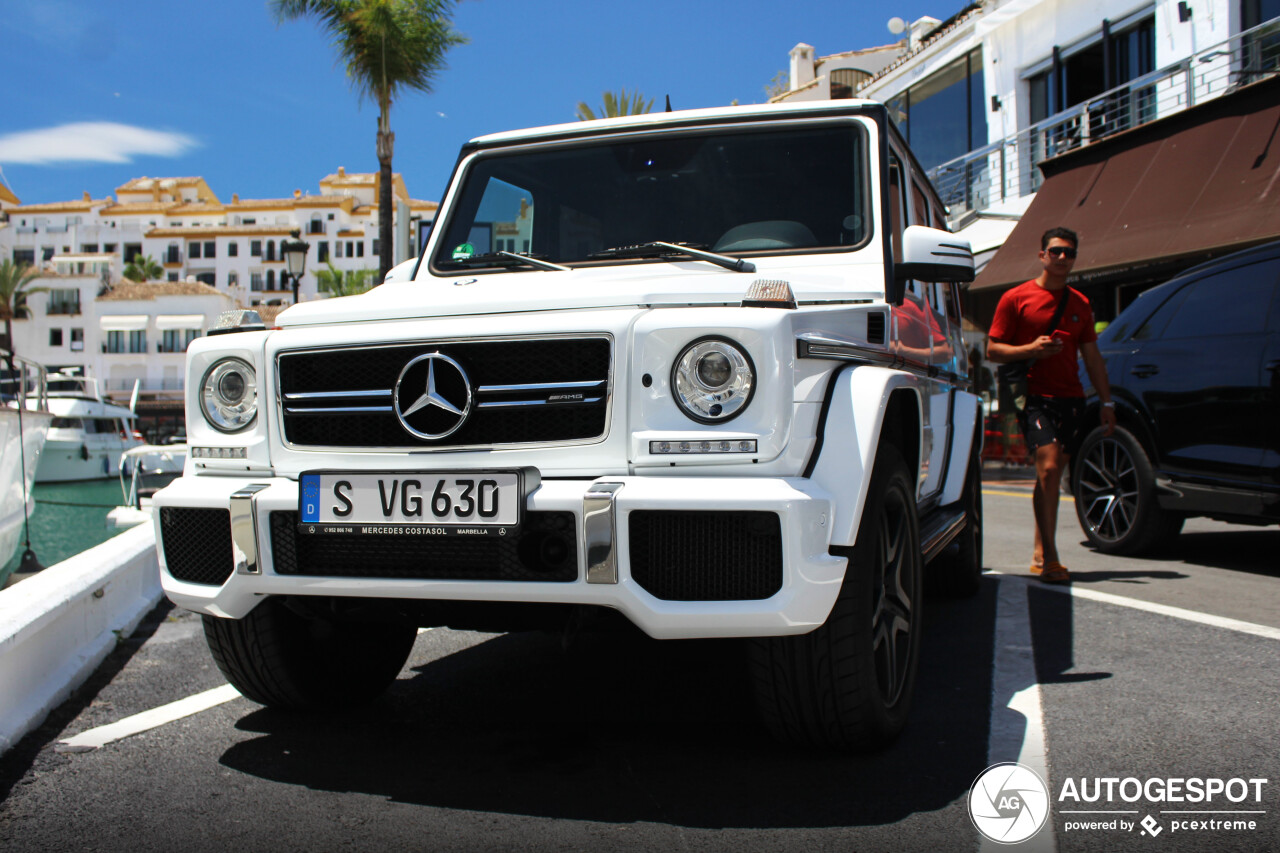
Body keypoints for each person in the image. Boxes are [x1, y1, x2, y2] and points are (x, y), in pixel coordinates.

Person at [987, 227, 1115, 583]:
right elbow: (993, 350)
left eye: (1069, 253)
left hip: (1072, 398)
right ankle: (1051, 559)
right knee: (1047, 468)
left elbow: (1093, 357)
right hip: (1033, 397)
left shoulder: (1081, 304)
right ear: (1042, 255)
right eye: (1055, 251)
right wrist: (1032, 350)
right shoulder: (1016, 298)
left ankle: (1040, 550)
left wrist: (1106, 401)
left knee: (1054, 474)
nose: (1062, 258)